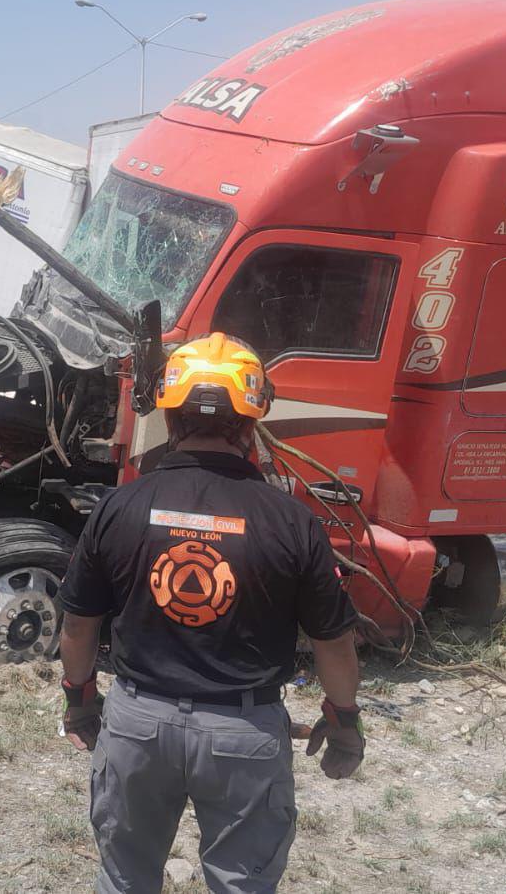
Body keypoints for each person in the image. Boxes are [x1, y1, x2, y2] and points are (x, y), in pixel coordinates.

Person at [57, 332, 366, 894]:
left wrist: (79, 699)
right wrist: (344, 719)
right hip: (244, 734)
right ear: (252, 425)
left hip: (136, 727)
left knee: (124, 880)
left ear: (170, 418)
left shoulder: (120, 506)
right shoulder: (292, 522)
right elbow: (334, 643)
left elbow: (78, 625)